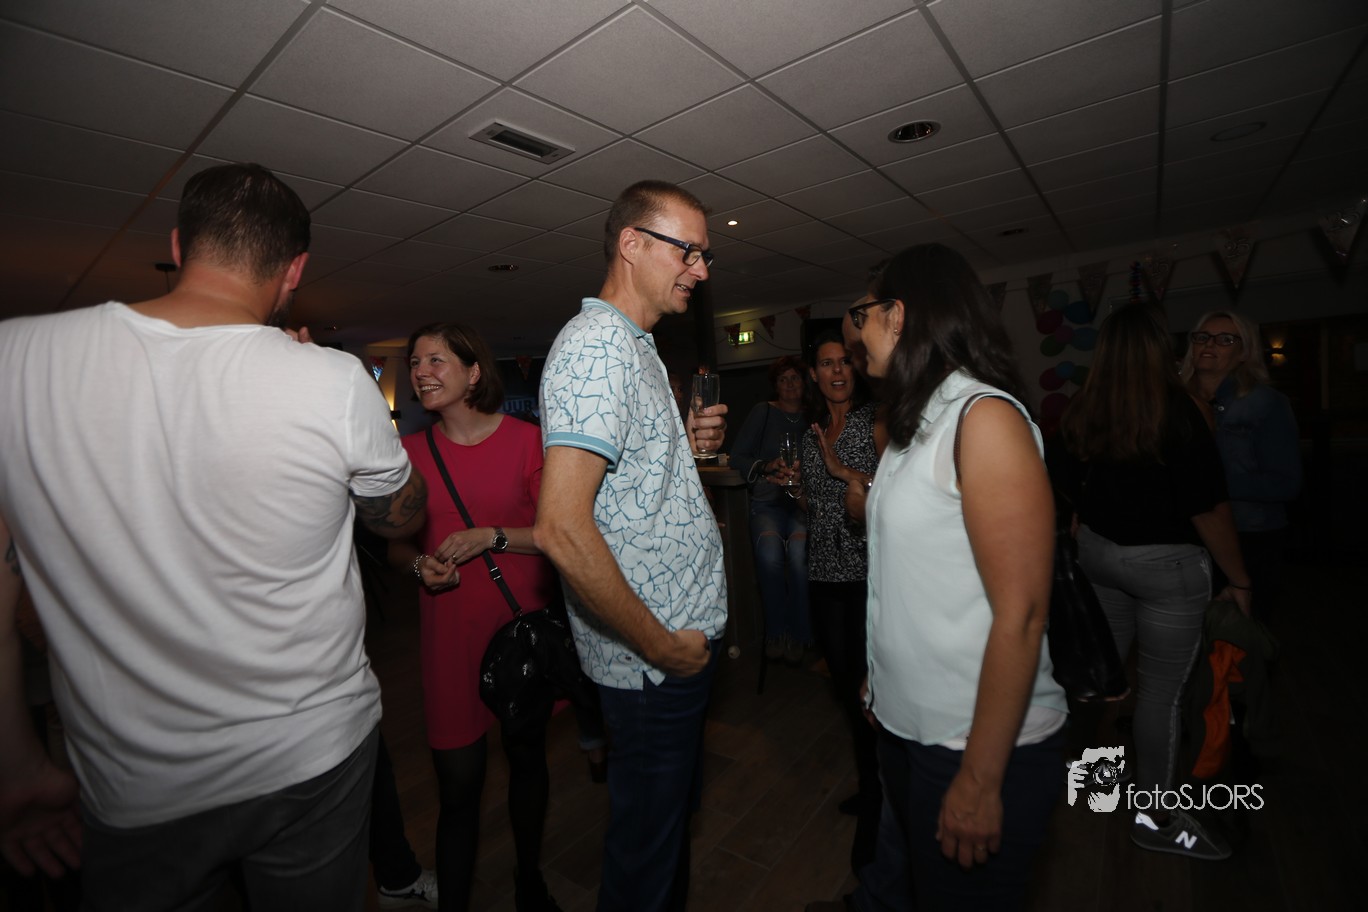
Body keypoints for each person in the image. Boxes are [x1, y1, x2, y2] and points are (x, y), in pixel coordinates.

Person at [0, 162, 426, 910]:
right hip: (310, 754)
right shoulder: (332, 380)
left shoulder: (16, 358)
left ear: (177, 245)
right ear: (294, 272)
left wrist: (15, 761)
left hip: (135, 784)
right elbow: (402, 517)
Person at [535, 180, 727, 912]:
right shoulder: (598, 348)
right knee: (644, 863)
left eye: (704, 256)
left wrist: (686, 451)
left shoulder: (636, 346)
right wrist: (661, 648)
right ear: (632, 244)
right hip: (652, 662)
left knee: (663, 841)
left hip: (670, 652)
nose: (700, 270)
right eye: (689, 251)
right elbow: (561, 527)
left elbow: (629, 495)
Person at [857, 244, 1068, 908]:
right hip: (907, 726)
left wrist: (979, 779)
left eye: (864, 315)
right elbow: (909, 578)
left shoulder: (985, 419)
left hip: (972, 741)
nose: (858, 333)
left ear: (898, 316)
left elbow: (1022, 614)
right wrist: (881, 677)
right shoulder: (913, 425)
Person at [1052, 302, 1253, 862]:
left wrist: (1084, 514)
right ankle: (1154, 818)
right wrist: (1239, 578)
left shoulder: (1084, 406)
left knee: (1103, 679)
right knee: (1160, 697)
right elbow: (1207, 508)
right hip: (1166, 568)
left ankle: (1088, 783)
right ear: (1161, 350)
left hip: (1101, 559)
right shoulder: (1180, 410)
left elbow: (1061, 477)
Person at [387, 323, 567, 912]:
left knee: (526, 762)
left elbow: (558, 533)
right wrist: (420, 566)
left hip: (521, 635)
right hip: (450, 641)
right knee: (458, 790)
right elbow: (397, 544)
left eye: (436, 359)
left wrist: (491, 536)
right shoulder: (408, 455)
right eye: (415, 362)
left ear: (473, 373)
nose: (421, 371)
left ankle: (528, 880)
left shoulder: (526, 442)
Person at [794, 331, 882, 872]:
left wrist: (843, 472)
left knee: (877, 692)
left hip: (870, 573)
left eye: (845, 361)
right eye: (827, 364)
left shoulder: (877, 423)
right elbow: (817, 504)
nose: (837, 371)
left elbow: (900, 490)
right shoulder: (811, 433)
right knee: (849, 692)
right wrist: (798, 488)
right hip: (824, 572)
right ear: (814, 374)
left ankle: (885, 796)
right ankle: (872, 785)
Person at [1180, 310, 1301, 619]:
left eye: (1225, 339)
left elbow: (1286, 483)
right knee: (1186, 634)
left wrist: (1208, 484)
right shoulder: (1174, 401)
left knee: (1239, 635)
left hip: (1249, 537)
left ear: (1244, 352)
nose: (1210, 344)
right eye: (1203, 337)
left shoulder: (1265, 402)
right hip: (1185, 536)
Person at [729, 355, 811, 663]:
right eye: (783, 379)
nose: (789, 384)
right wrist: (766, 465)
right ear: (775, 385)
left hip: (801, 503)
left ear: (804, 382)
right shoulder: (762, 412)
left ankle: (801, 634)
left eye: (795, 378)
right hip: (768, 502)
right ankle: (776, 632)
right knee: (769, 555)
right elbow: (738, 456)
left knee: (800, 559)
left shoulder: (814, 415)